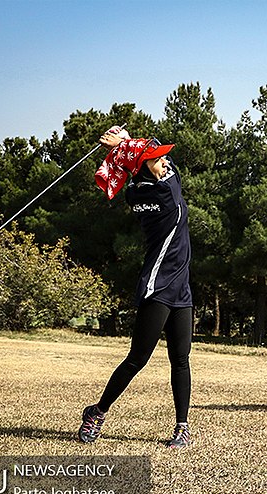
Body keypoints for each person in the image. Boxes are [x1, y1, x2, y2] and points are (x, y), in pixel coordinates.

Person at [77, 126, 194, 447]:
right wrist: (125, 145)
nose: (166, 163)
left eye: (165, 158)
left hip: (181, 287)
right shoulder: (161, 193)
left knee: (181, 359)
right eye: (158, 160)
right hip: (157, 285)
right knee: (137, 358)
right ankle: (97, 412)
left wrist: (124, 145)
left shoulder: (137, 189)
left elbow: (152, 165)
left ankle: (182, 427)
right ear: (143, 166)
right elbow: (167, 172)